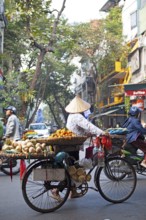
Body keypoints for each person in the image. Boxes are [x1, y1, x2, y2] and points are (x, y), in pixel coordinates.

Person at [64, 95, 108, 198]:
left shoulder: (71, 115)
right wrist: (101, 132)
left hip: (73, 145)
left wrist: (87, 133)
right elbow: (88, 126)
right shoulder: (77, 116)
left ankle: (73, 191)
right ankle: (56, 191)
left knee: (74, 169)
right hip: (72, 146)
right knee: (72, 170)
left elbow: (80, 129)